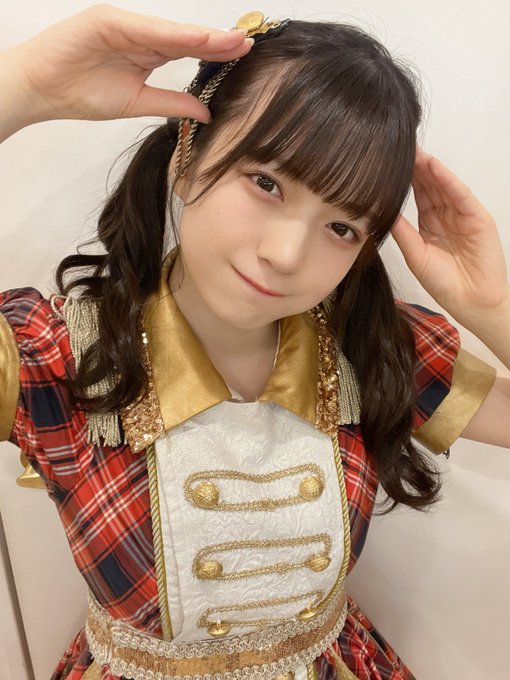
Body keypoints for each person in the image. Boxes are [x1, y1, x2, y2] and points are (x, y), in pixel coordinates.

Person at [0, 4, 508, 680]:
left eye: (342, 227)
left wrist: (494, 310)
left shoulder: (368, 348)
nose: (286, 254)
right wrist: (21, 87)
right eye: (266, 183)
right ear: (188, 155)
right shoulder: (60, 357)